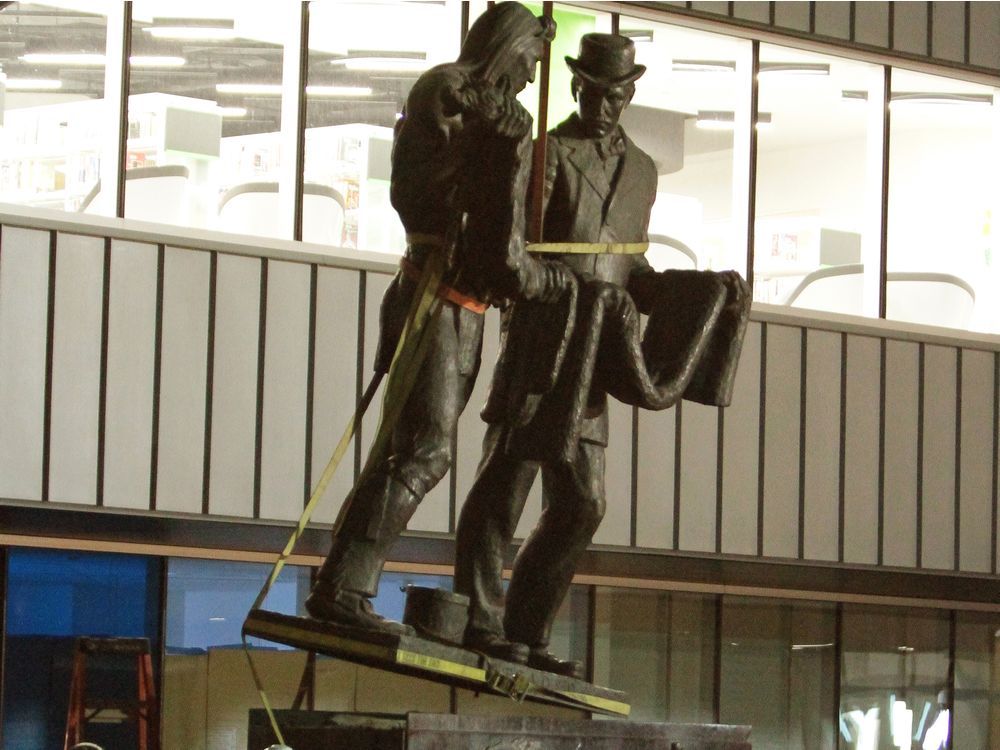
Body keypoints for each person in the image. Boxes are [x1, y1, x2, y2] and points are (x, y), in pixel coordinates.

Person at [454, 33, 751, 678]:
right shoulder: (545, 154)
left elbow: (629, 267)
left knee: (584, 503)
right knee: (506, 484)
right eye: (592, 90)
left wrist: (694, 290)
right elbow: (514, 250)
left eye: (616, 94)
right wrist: (547, 280)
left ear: (630, 92)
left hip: (595, 350)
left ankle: (524, 630)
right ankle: (479, 620)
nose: (604, 104)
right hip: (542, 337)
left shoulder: (643, 171)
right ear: (576, 84)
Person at [305, 2, 570, 638]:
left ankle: (343, 585)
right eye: (532, 59)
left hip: (463, 308)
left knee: (409, 450)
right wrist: (498, 142)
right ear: (509, 45)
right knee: (423, 452)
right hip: (436, 295)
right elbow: (441, 185)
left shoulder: (503, 116)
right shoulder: (453, 91)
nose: (533, 77)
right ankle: (344, 589)